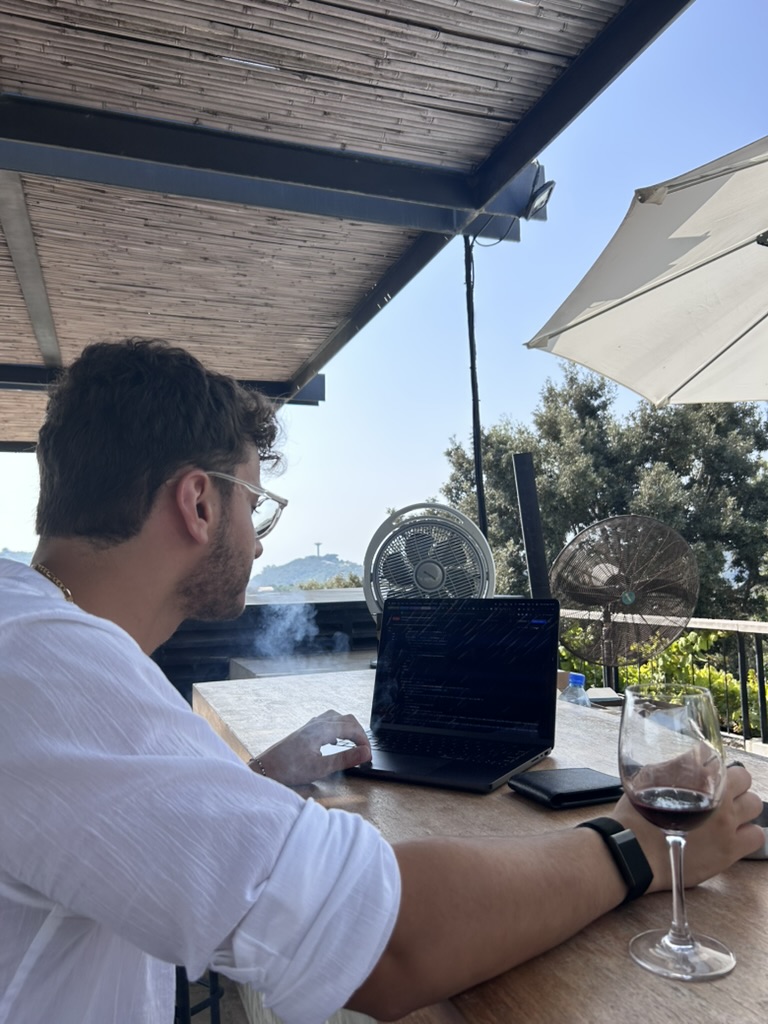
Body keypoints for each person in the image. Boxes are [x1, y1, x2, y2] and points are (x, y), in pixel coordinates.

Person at [0, 339, 762, 1024]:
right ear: (199, 502)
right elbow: (391, 946)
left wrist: (256, 782)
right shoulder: (44, 669)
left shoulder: (35, 640)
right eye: (256, 508)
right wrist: (631, 844)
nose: (260, 547)